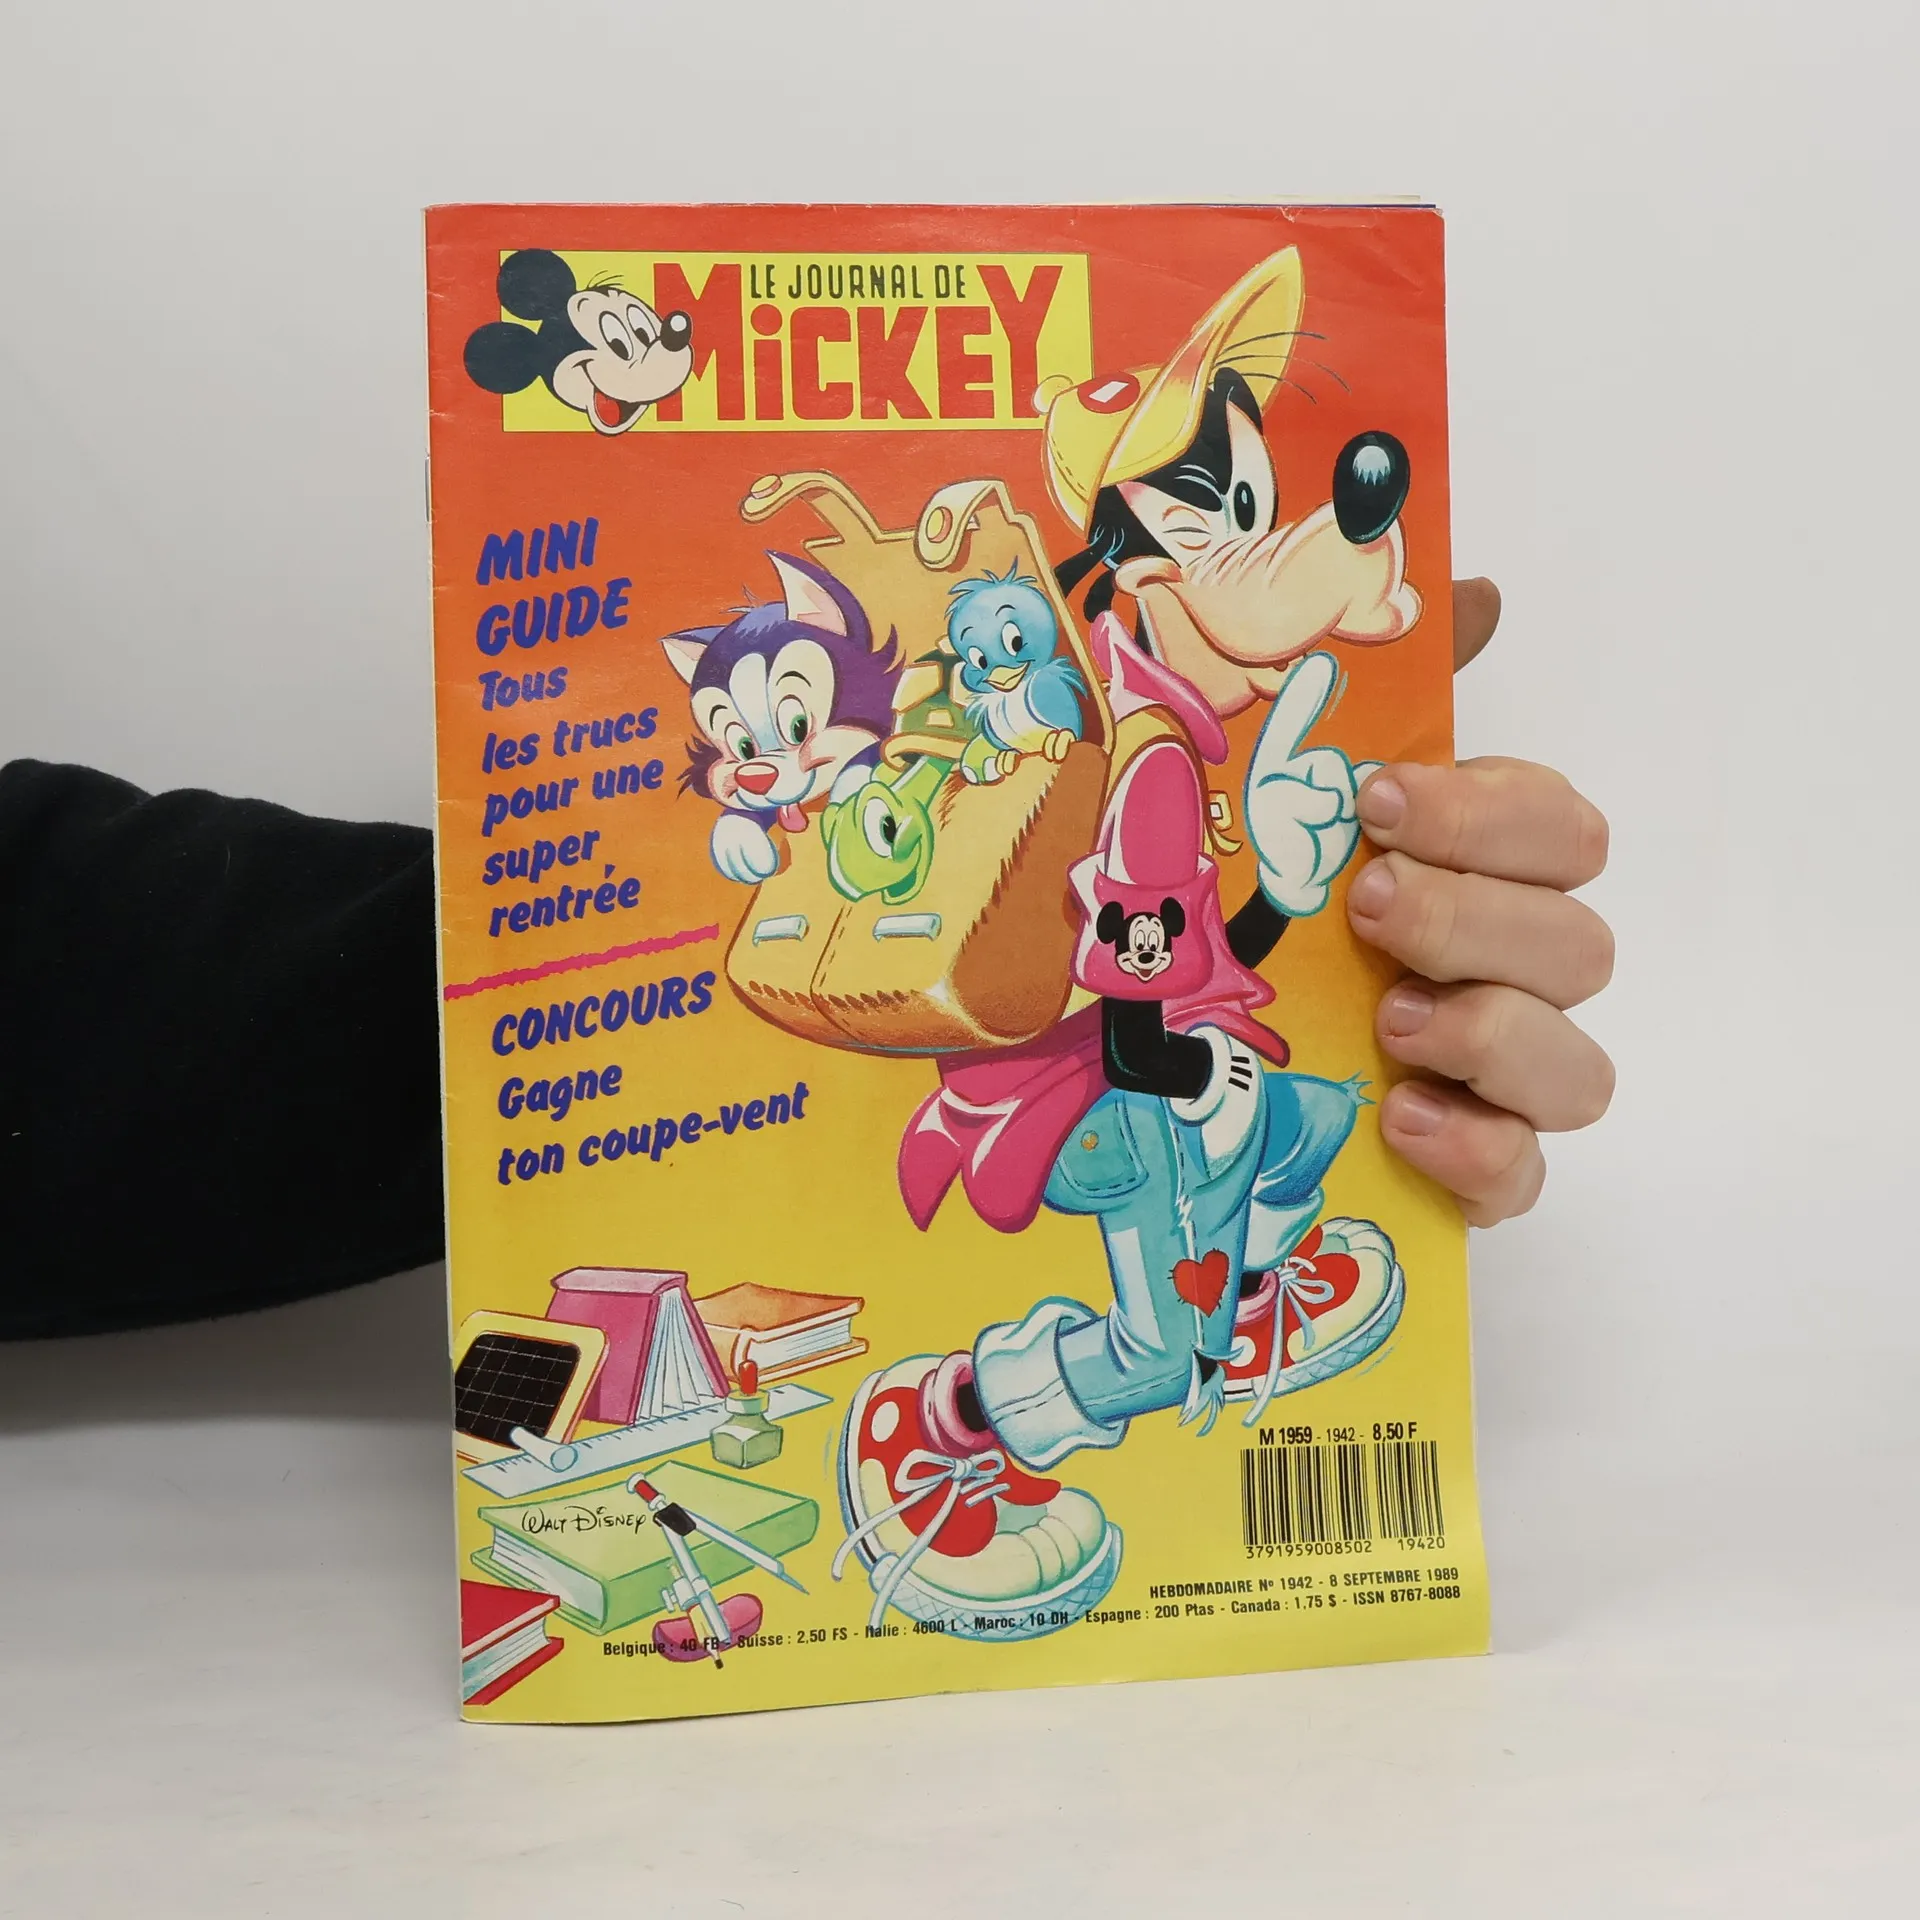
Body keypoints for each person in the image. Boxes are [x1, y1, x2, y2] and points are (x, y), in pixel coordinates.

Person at [0, 575, 1609, 1344]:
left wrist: (1329, 921)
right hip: (1068, 1109)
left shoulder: (1058, 802)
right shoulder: (930, 827)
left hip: (1104, 1080)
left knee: (1286, 1133)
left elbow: (92, 962)